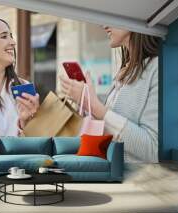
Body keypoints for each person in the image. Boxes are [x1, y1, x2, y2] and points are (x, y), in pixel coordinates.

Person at [60, 27, 160, 163]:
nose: (104, 25)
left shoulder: (156, 68)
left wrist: (95, 107)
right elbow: (109, 128)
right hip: (108, 171)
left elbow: (154, 150)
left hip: (134, 179)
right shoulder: (126, 70)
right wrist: (85, 102)